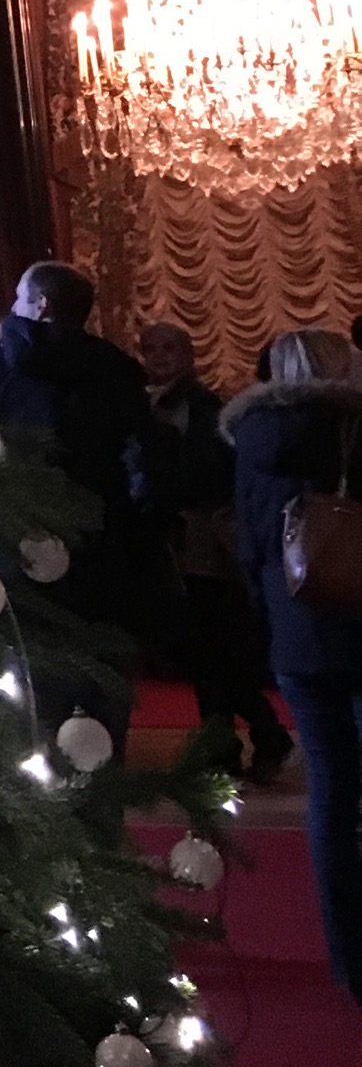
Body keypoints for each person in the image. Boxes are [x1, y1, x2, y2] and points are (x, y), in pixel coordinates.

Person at [0, 260, 156, 752]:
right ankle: (101, 776)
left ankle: (37, 771)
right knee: (102, 667)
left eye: (18, 297)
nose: (12, 306)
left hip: (15, 540)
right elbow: (146, 461)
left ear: (41, 305)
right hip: (104, 541)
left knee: (27, 667)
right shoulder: (117, 372)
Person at [225, 328, 362, 997]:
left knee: (330, 793)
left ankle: (348, 958)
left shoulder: (250, 436)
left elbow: (250, 547)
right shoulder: (352, 427)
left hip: (297, 636)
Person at [137, 320, 288, 781]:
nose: (160, 356)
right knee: (203, 655)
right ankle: (229, 747)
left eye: (169, 347)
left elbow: (204, 476)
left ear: (189, 355)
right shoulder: (147, 404)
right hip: (174, 542)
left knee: (213, 652)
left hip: (202, 545)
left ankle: (254, 738)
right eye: (151, 348)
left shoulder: (201, 406)